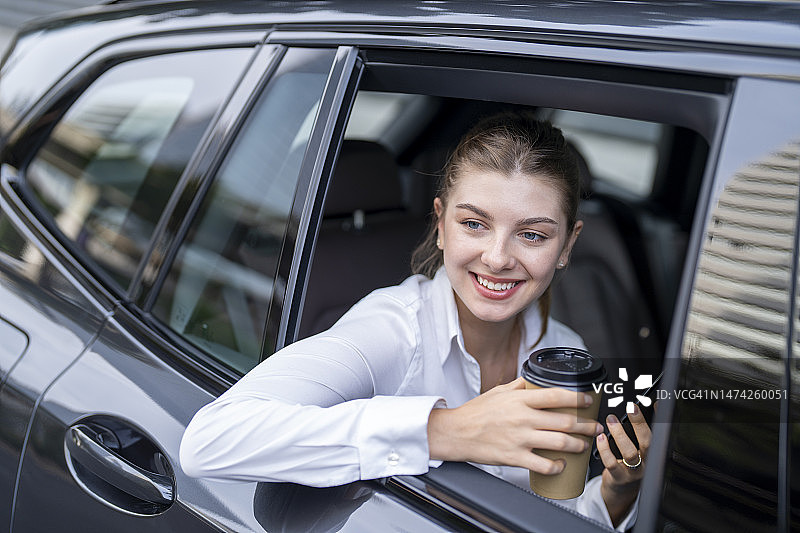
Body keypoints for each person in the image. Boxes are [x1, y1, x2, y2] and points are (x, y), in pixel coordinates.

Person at [180, 113, 651, 530]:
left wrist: (616, 493)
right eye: (474, 224)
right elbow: (211, 440)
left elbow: (543, 516)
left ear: (568, 245)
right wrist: (446, 430)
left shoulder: (565, 350)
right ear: (441, 223)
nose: (497, 257)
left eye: (531, 235)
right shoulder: (395, 330)